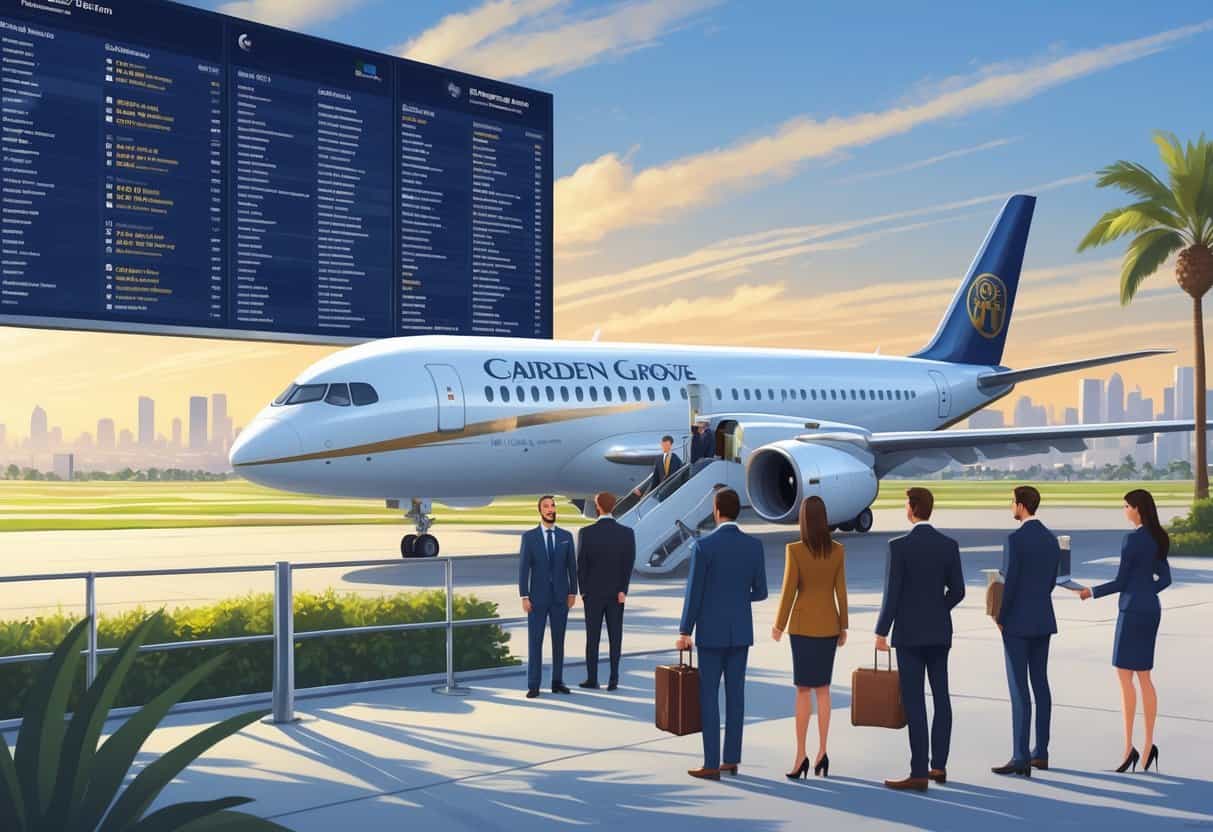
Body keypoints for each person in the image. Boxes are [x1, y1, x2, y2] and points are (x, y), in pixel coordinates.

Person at [1073, 488, 1172, 773]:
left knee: (1124, 678)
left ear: (1137, 509)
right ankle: (1149, 745)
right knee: (1145, 677)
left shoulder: (1131, 539)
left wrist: (1091, 592)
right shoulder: (1157, 537)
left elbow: (1120, 582)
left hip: (1131, 612)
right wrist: (1145, 591)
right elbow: (1165, 579)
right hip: (1151, 609)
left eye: (1126, 506)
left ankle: (1129, 748)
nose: (1124, 510)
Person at [875, 487, 965, 792]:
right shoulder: (948, 545)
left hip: (909, 635)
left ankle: (918, 771)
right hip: (939, 632)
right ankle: (938, 765)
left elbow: (892, 595)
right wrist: (938, 608)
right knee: (942, 698)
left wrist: (881, 631)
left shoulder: (898, 547)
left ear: (912, 509)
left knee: (914, 702)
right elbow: (958, 591)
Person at [676, 488, 768, 780]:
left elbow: (694, 594)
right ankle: (731, 760)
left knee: (709, 697)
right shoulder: (754, 546)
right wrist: (737, 596)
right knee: (736, 697)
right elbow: (761, 592)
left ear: (716, 511)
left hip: (711, 632)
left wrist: (685, 630)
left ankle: (711, 763)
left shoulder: (704, 547)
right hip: (740, 631)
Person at [772, 495, 848, 779]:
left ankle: (800, 754)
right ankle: (822, 752)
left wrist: (779, 625)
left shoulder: (794, 550)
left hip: (802, 628)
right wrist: (843, 626)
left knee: (803, 690)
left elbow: (788, 591)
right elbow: (841, 592)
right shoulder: (838, 551)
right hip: (829, 625)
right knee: (823, 689)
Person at [992, 485, 1059, 777]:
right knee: (1041, 684)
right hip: (1043, 619)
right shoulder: (1051, 539)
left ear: (1021, 505)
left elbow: (1009, 584)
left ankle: (1020, 756)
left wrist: (1001, 616)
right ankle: (1041, 752)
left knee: (1019, 688)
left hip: (1017, 623)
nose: (1011, 506)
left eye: (1012, 501)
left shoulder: (1014, 540)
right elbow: (1052, 581)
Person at [518, 495, 578, 698]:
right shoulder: (529, 537)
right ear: (540, 510)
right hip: (537, 598)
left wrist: (573, 592)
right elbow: (523, 569)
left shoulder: (565, 536)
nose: (551, 509)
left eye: (553, 506)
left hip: (561, 597)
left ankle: (557, 682)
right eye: (546, 506)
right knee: (535, 641)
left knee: (559, 641)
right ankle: (533, 684)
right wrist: (524, 596)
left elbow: (572, 567)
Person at [577, 492, 636, 690]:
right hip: (616, 594)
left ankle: (592, 679)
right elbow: (628, 565)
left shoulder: (586, 533)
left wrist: (584, 591)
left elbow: (581, 565)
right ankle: (613, 679)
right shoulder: (626, 533)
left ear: (597, 507)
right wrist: (623, 590)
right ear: (614, 506)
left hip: (593, 595)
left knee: (592, 638)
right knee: (615, 637)